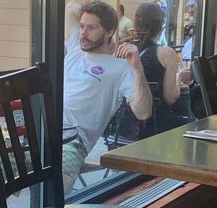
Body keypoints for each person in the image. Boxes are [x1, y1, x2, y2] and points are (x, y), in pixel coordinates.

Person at [64, 0, 152, 194]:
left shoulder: (120, 68)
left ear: (110, 31)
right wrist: (92, 11)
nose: (83, 33)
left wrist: (138, 69)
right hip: (41, 131)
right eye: (82, 27)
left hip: (72, 140)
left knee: (57, 186)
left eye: (91, 28)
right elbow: (71, 7)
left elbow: (143, 111)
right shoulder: (75, 48)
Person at [132, 2, 192, 135]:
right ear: (161, 26)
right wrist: (179, 77)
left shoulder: (126, 49)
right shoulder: (166, 53)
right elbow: (170, 97)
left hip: (124, 128)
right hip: (155, 126)